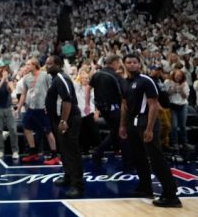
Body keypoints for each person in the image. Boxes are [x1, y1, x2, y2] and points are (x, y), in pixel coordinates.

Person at [118, 54, 181, 208]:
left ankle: (171, 195)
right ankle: (145, 188)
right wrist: (122, 125)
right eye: (129, 62)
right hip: (132, 124)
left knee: (156, 158)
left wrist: (150, 128)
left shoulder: (146, 80)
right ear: (124, 65)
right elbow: (124, 106)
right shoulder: (124, 82)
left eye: (135, 62)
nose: (132, 64)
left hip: (146, 122)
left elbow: (153, 105)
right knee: (138, 157)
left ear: (139, 64)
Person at [44, 55, 84, 198]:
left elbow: (67, 100)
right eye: (46, 63)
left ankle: (77, 185)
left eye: (50, 64)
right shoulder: (55, 79)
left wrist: (63, 121)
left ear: (58, 65)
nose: (46, 65)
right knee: (65, 151)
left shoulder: (61, 78)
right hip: (60, 120)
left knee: (72, 152)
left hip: (69, 120)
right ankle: (68, 176)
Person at [87, 55, 130, 168]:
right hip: (114, 109)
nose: (119, 65)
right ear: (114, 62)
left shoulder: (97, 74)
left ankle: (126, 158)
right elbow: (124, 94)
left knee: (116, 132)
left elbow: (88, 88)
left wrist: (87, 104)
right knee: (119, 132)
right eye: (119, 63)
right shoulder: (115, 76)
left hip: (102, 108)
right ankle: (98, 153)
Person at [15, 58, 59, 164]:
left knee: (48, 131)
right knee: (26, 128)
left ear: (35, 65)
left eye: (28, 64)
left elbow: (52, 91)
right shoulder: (26, 78)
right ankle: (33, 152)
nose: (26, 66)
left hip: (43, 109)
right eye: (26, 64)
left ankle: (55, 155)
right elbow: (24, 94)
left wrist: (50, 105)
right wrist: (19, 108)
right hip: (31, 108)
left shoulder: (45, 76)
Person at [0, 61, 19, 159]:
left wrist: (6, 80)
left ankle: (15, 150)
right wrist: (2, 79)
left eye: (3, 67)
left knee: (13, 129)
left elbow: (11, 90)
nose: (2, 69)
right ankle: (0, 150)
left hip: (8, 107)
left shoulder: (9, 78)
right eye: (0, 68)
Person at [165, 68, 190, 150]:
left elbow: (185, 97)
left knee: (183, 125)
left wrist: (181, 89)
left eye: (180, 76)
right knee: (174, 126)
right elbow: (166, 94)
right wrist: (174, 89)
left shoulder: (185, 84)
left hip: (183, 105)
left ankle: (185, 143)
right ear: (173, 75)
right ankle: (175, 143)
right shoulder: (168, 82)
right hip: (173, 106)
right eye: (177, 75)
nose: (178, 77)